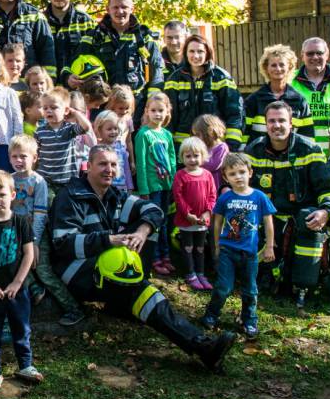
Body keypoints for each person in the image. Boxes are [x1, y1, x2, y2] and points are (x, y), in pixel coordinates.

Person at [49, 145, 237, 371]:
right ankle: (201, 346)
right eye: (102, 164)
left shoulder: (115, 195)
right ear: (88, 167)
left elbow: (155, 211)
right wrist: (110, 239)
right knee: (139, 290)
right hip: (76, 270)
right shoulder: (70, 196)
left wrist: (141, 232)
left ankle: (125, 299)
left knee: (149, 226)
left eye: (113, 165)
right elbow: (62, 244)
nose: (109, 169)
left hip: (109, 264)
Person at [243, 101, 330, 310]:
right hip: (267, 219)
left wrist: (325, 210)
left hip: (299, 219)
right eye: (272, 121)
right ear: (265, 124)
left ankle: (303, 285)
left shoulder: (309, 148)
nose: (276, 125)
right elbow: (241, 187)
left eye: (281, 120)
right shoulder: (254, 149)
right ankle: (262, 276)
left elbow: (328, 186)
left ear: (292, 123)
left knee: (309, 220)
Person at [0, 170, 42, 391]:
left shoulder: (21, 222)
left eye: (2, 194)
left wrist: (17, 283)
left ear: (13, 194)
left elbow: (29, 255)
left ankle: (25, 365)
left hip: (17, 289)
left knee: (21, 327)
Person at [9, 134, 84, 326]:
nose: (18, 160)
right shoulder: (9, 180)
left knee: (42, 270)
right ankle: (35, 288)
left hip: (36, 235)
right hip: (15, 234)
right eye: (14, 156)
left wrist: (33, 241)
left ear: (34, 158)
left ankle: (73, 308)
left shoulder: (38, 182)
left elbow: (41, 213)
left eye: (23, 156)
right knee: (16, 264)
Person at [201, 153, 276, 338]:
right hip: (228, 250)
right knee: (223, 287)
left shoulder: (259, 197)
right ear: (226, 177)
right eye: (233, 174)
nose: (238, 177)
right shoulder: (225, 198)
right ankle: (211, 314)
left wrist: (269, 247)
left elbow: (268, 223)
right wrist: (217, 246)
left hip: (250, 254)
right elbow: (217, 223)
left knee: (250, 289)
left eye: (242, 172)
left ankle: (249, 320)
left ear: (250, 173)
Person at [70, 0, 161, 93]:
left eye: (124, 7)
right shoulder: (93, 37)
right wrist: (69, 77)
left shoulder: (143, 37)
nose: (120, 11)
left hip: (137, 102)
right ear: (108, 9)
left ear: (132, 9)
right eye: (115, 7)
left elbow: (157, 68)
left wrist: (152, 97)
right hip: (103, 102)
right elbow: (74, 63)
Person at [163, 34, 244, 150]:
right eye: (191, 51)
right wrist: (170, 147)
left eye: (200, 51)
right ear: (185, 53)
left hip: (214, 148)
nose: (196, 56)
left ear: (208, 53)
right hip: (184, 149)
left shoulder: (221, 77)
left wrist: (230, 146)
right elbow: (168, 117)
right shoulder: (174, 79)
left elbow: (235, 113)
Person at [134, 93, 177, 275]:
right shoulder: (143, 134)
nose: (157, 114)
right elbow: (142, 163)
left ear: (167, 111)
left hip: (166, 185)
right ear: (146, 112)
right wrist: (143, 189)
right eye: (153, 111)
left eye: (161, 110)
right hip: (152, 187)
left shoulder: (166, 134)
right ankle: (155, 257)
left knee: (165, 222)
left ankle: (166, 255)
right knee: (154, 222)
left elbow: (173, 159)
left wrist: (174, 183)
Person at [244, 44, 314, 144]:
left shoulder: (299, 101)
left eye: (282, 65)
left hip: (291, 157)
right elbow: (245, 133)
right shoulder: (254, 100)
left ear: (289, 67)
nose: (278, 69)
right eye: (273, 65)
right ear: (266, 68)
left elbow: (308, 136)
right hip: (260, 157)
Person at [172, 137, 217, 291]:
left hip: (202, 221)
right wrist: (188, 214)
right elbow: (178, 197)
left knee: (200, 247)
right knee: (188, 247)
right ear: (182, 157)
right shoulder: (180, 175)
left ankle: (201, 273)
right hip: (187, 221)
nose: (192, 159)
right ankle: (190, 274)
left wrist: (207, 212)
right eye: (188, 156)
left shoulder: (207, 175)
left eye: (196, 155)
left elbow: (212, 196)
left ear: (203, 156)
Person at [290, 37, 330, 150]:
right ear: (302, 56)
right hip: (301, 153)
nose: (315, 57)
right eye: (310, 54)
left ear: (327, 55)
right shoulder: (289, 80)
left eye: (319, 53)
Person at [34, 87, 92, 193]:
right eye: (45, 108)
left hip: (67, 180)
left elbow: (86, 127)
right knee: (49, 206)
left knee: (64, 207)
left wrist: (74, 112)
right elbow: (35, 154)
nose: (48, 111)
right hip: (46, 179)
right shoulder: (40, 131)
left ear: (65, 110)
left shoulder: (69, 128)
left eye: (53, 107)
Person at [43, 0, 95, 84]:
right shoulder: (40, 21)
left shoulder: (86, 21)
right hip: (48, 89)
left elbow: (94, 57)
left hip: (79, 88)